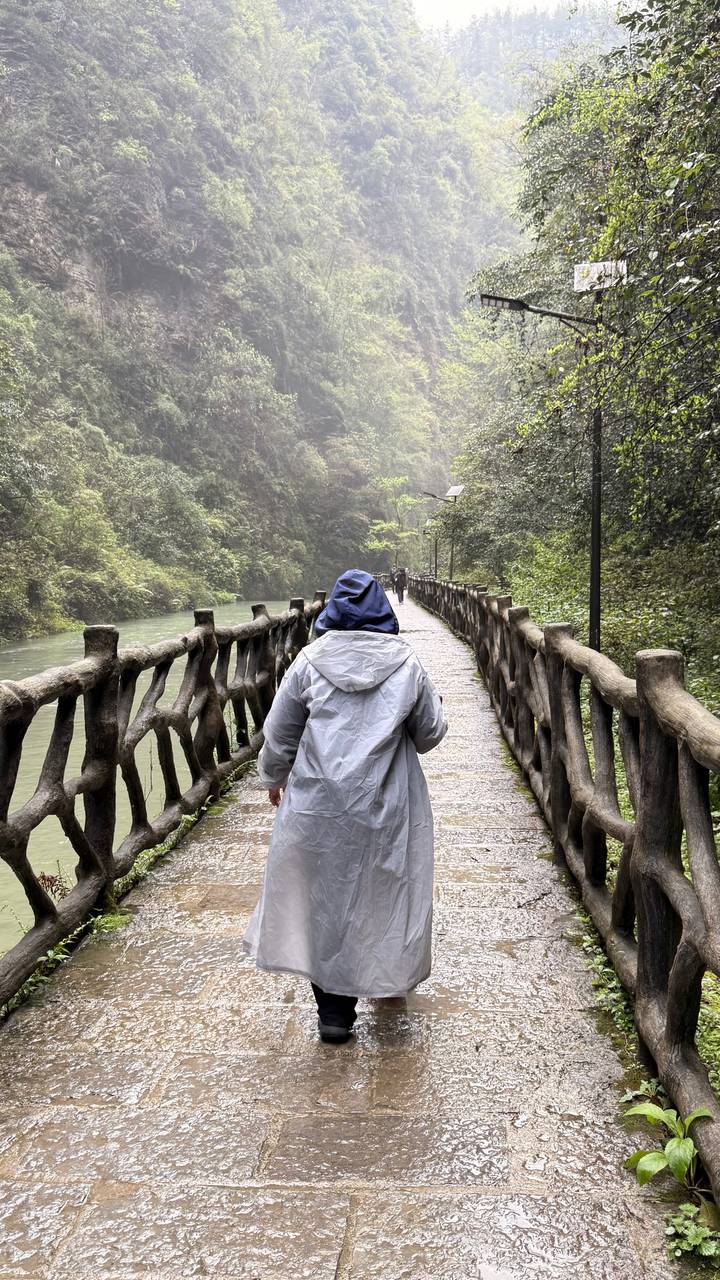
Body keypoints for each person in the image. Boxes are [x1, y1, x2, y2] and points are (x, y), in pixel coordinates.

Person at [243, 568, 447, 1043]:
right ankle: (386, 978)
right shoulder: (407, 663)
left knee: (325, 896)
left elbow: (279, 734)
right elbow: (429, 735)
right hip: (388, 803)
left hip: (319, 804)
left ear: (330, 611)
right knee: (385, 890)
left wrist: (274, 778)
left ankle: (334, 1013)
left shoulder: (309, 662)